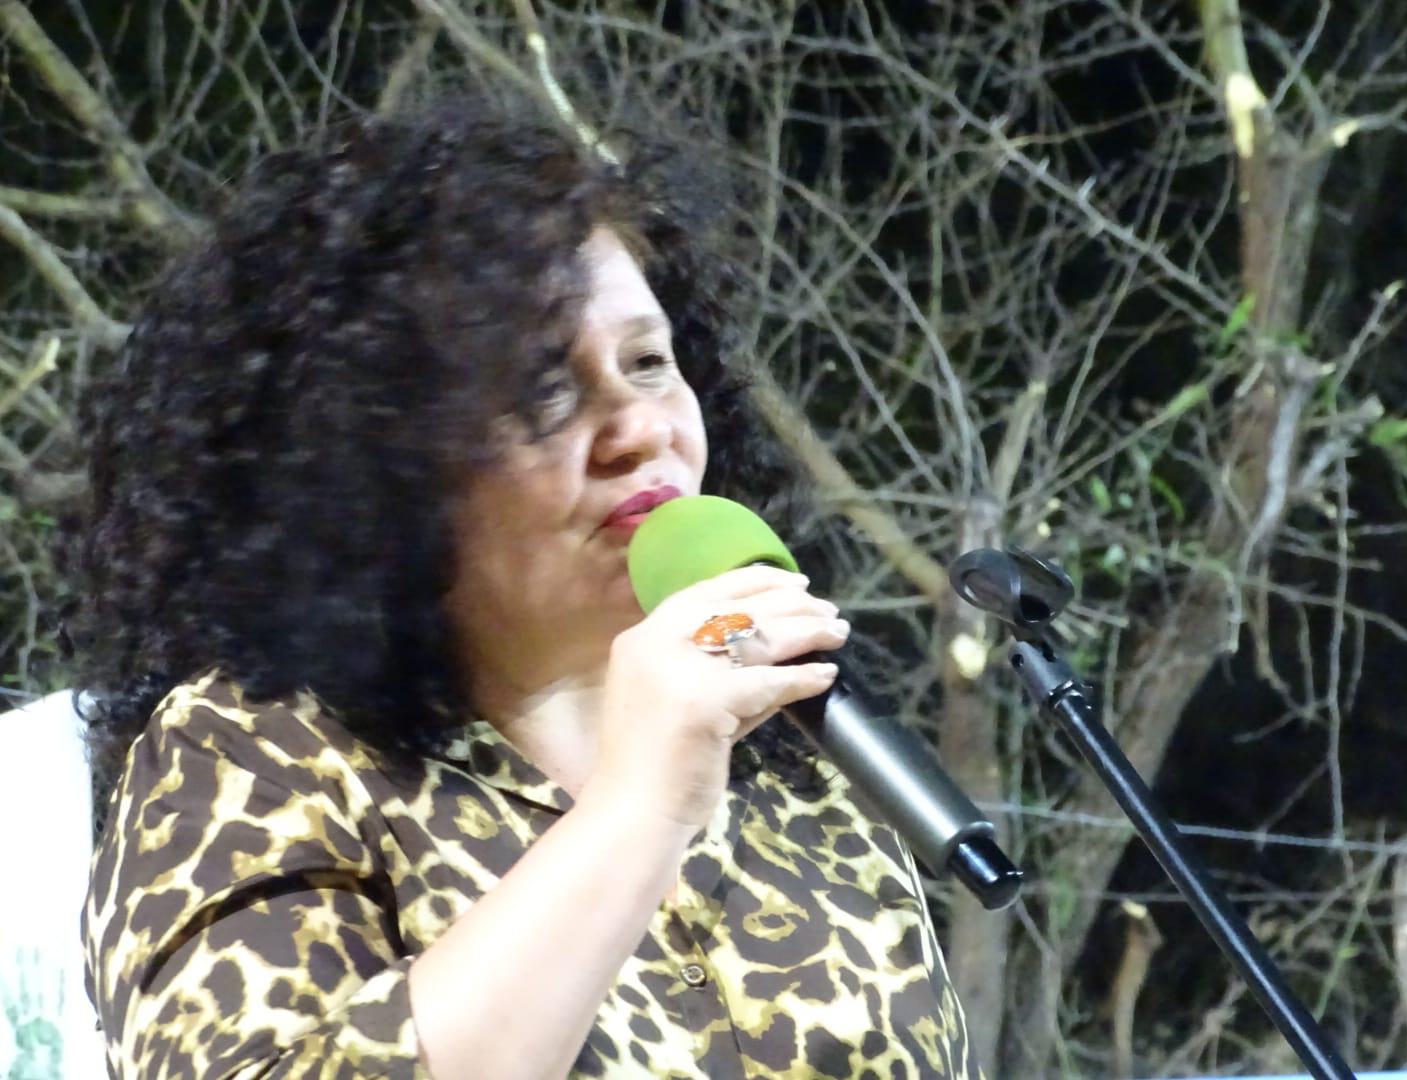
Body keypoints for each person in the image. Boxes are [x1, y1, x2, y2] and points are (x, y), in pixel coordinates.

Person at [64, 94, 975, 1079]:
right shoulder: (256, 752)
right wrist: (639, 807)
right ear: (379, 466)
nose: (641, 430)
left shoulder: (793, 765)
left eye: (649, 363)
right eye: (545, 387)